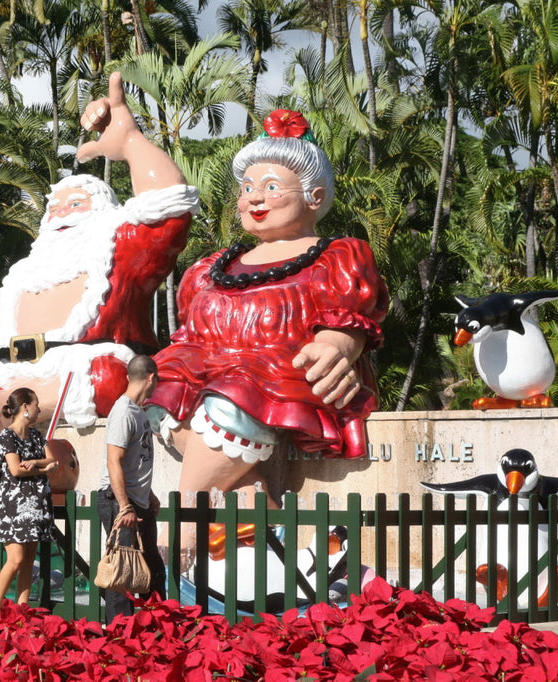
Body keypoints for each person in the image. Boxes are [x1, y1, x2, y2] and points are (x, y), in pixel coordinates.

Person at [0, 71, 199, 455]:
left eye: (76, 205)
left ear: (103, 212)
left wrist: (131, 140)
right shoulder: (28, 270)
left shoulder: (114, 245)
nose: (61, 215)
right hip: (4, 367)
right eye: (54, 208)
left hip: (75, 370)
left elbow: (168, 207)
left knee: (106, 377)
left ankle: (5, 411)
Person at [145, 109, 390, 551]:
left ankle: (182, 524)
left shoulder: (335, 256)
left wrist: (336, 344)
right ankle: (250, 497)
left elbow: (354, 316)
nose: (255, 198)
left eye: (272, 187)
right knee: (151, 384)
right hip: (205, 370)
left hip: (281, 375)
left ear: (314, 196)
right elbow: (190, 332)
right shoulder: (212, 267)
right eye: (247, 188)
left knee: (234, 393)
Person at [97, 354, 165, 623]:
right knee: (122, 572)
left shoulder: (138, 412)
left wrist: (148, 494)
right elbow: (113, 459)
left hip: (137, 501)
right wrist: (124, 505)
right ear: (151, 377)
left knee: (152, 569)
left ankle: (155, 627)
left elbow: (135, 461)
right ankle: (118, 635)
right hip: (120, 502)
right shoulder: (124, 412)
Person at [0, 387, 59, 616]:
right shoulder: (7, 436)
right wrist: (43, 468)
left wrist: (37, 464)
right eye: (36, 404)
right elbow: (16, 470)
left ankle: (22, 609)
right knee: (16, 558)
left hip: (36, 504)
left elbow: (52, 459)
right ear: (25, 407)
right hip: (13, 507)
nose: (38, 409)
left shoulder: (37, 435)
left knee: (28, 560)